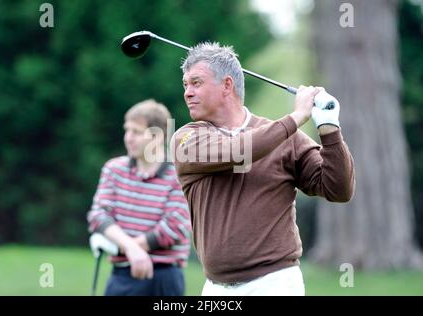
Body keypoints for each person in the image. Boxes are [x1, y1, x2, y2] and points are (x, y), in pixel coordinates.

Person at [170, 42, 355, 296]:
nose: (187, 92)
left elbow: (339, 189)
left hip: (275, 284)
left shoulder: (286, 138)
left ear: (227, 85)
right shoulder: (187, 139)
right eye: (185, 85)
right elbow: (238, 150)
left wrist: (329, 127)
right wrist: (297, 117)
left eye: (196, 83)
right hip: (216, 289)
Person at [87, 99, 192, 296]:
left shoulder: (180, 173)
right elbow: (99, 216)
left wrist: (128, 248)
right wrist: (132, 250)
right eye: (127, 130)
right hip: (122, 276)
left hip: (164, 279)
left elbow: (175, 226)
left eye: (136, 132)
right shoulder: (114, 169)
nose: (128, 138)